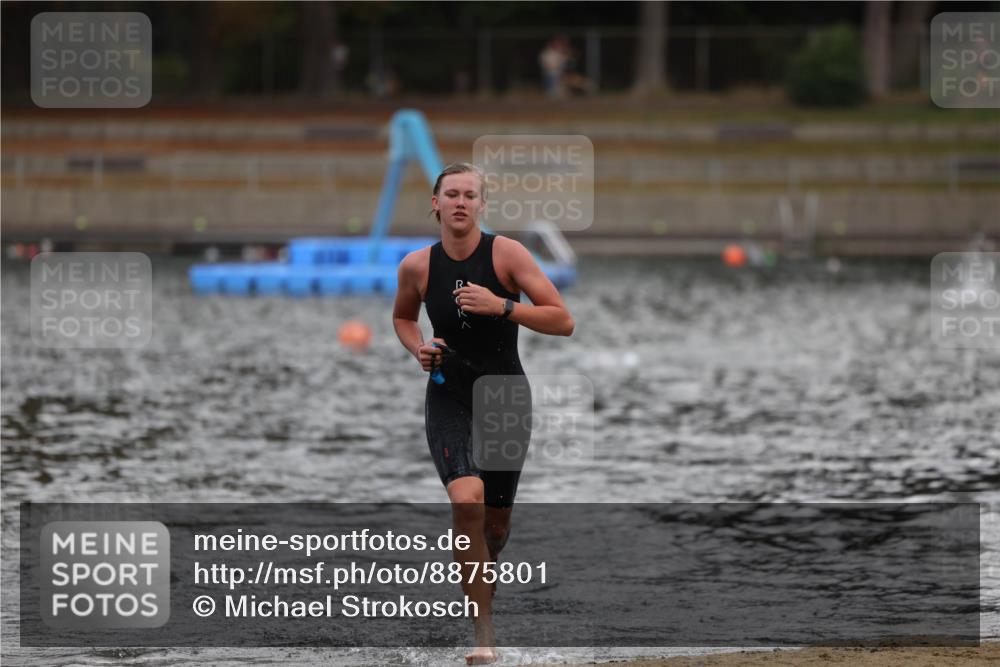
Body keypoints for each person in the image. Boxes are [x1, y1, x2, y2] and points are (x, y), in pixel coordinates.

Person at [392, 162, 574, 664]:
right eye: (451, 194)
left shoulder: (508, 255)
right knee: (466, 500)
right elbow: (404, 317)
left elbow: (563, 321)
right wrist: (418, 350)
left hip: (505, 397)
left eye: (470, 195)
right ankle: (485, 638)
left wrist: (503, 308)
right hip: (448, 390)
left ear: (481, 205)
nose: (460, 202)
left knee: (494, 526)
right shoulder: (417, 266)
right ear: (435, 203)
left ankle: (483, 583)